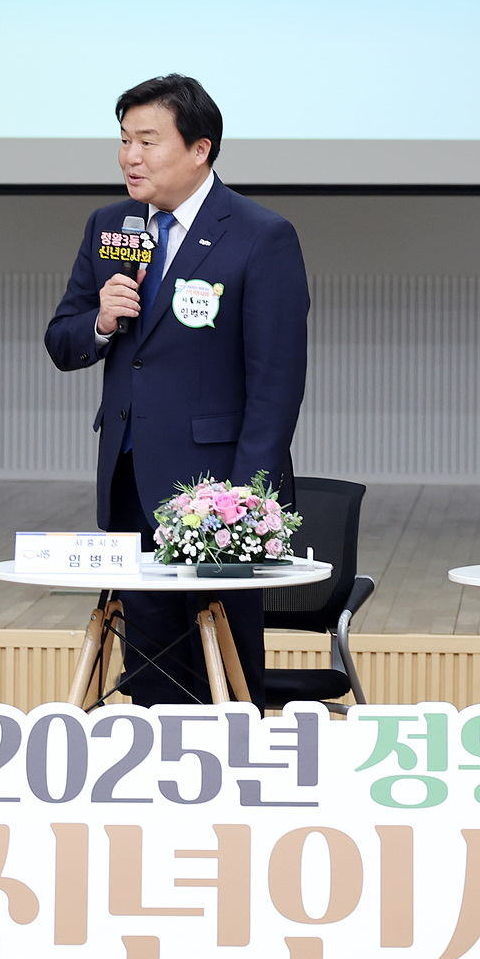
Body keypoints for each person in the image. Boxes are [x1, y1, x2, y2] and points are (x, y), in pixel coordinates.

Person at [44, 74, 310, 705]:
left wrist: (246, 502)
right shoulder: (111, 226)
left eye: (148, 141)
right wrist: (101, 320)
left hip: (219, 497)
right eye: (124, 140)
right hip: (130, 479)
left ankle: (232, 766)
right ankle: (154, 763)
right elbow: (62, 340)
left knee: (222, 674)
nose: (129, 157)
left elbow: (275, 386)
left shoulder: (259, 235)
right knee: (149, 669)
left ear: (200, 149)